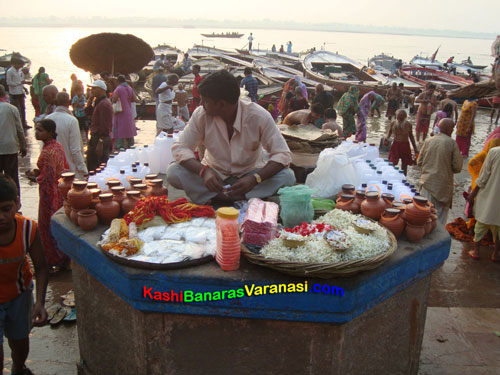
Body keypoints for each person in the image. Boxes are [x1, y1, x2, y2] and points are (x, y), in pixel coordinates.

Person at [167, 70, 295, 205]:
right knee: (174, 172)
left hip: (249, 174)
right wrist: (204, 171)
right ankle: (234, 197)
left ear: (221, 104)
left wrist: (255, 178)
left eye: (205, 101)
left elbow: (283, 154)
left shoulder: (259, 116)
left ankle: (229, 196)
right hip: (214, 175)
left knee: (287, 176)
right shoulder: (201, 115)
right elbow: (180, 148)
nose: (201, 105)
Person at [0, 174, 49, 375]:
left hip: (19, 296)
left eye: (6, 209)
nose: (1, 217)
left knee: (20, 344)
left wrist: (39, 303)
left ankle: (19, 368)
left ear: (17, 203)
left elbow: (41, 267)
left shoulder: (28, 229)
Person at [30, 119, 70, 270]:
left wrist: (35, 177)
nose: (36, 133)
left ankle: (52, 260)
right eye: (36, 129)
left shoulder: (48, 152)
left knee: (46, 227)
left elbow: (47, 176)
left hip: (49, 194)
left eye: (40, 130)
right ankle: (65, 259)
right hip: (59, 191)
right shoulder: (57, 146)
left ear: (50, 132)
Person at [417, 118, 463, 224]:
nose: (453, 130)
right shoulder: (452, 143)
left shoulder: (429, 140)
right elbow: (458, 167)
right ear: (448, 129)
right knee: (439, 219)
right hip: (443, 187)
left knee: (425, 215)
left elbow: (419, 161)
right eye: (452, 128)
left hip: (426, 183)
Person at [466, 146, 500, 261]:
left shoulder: (494, 152)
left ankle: (476, 251)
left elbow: (484, 176)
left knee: (482, 222)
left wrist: (473, 193)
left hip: (490, 195)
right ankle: (495, 253)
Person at [46, 92, 88, 180]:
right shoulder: (72, 121)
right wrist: (83, 169)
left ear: (56, 102)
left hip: (51, 167)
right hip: (69, 169)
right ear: (69, 103)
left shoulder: (47, 118)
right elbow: (75, 150)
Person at [0, 86, 27, 198]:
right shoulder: (12, 108)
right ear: (3, 94)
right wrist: (23, 145)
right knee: (12, 177)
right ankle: (15, 200)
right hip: (10, 148)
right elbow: (20, 130)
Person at [86, 80, 113, 171]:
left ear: (101, 89)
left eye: (94, 88)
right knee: (93, 162)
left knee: (97, 164)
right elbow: (88, 112)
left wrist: (100, 143)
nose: (92, 90)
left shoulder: (104, 104)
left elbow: (104, 126)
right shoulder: (98, 102)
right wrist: (90, 99)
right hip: (96, 137)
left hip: (99, 138)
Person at [387, 109, 418, 175]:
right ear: (396, 116)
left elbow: (411, 136)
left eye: (401, 118)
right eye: (398, 117)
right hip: (395, 144)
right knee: (392, 162)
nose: (400, 119)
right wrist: (387, 138)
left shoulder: (408, 124)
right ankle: (391, 175)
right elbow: (389, 132)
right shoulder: (393, 123)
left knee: (405, 163)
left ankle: (404, 178)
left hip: (405, 145)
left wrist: (415, 148)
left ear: (405, 117)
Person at [112, 75, 136, 150]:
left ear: (118, 81)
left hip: (120, 112)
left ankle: (120, 146)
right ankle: (131, 145)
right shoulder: (130, 88)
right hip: (128, 111)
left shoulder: (118, 89)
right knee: (129, 129)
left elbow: (114, 99)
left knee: (120, 129)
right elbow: (134, 99)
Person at [6, 58, 30, 131]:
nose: (21, 66)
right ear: (15, 64)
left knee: (23, 108)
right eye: (20, 65)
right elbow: (9, 82)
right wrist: (19, 83)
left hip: (20, 91)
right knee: (15, 109)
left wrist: (25, 87)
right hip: (14, 92)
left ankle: (24, 123)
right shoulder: (10, 71)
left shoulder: (20, 71)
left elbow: (21, 81)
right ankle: (16, 124)